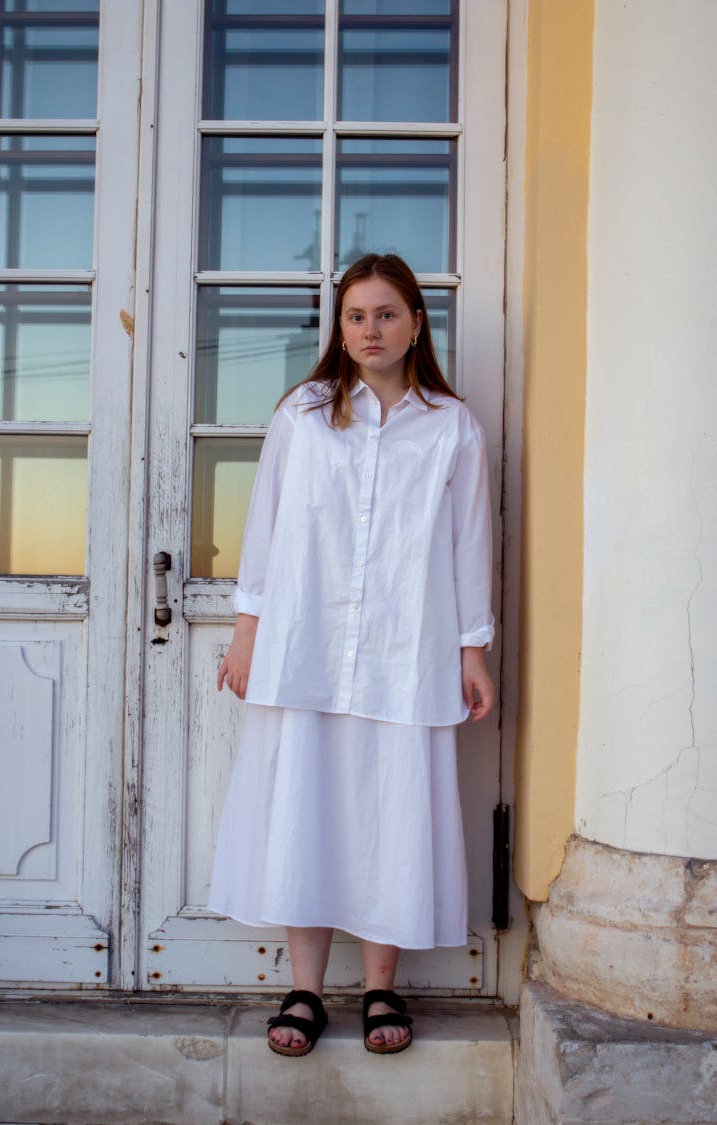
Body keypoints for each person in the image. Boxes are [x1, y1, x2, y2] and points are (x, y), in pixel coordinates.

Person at [210, 252, 495, 1057]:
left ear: (416, 323)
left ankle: (380, 986)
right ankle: (304, 989)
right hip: (306, 645)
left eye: (387, 314)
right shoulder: (301, 414)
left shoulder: (452, 425)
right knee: (308, 807)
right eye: (356, 316)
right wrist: (245, 633)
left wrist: (473, 649)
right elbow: (264, 529)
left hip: (408, 650)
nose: (372, 330)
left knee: (391, 813)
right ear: (340, 327)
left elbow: (469, 544)